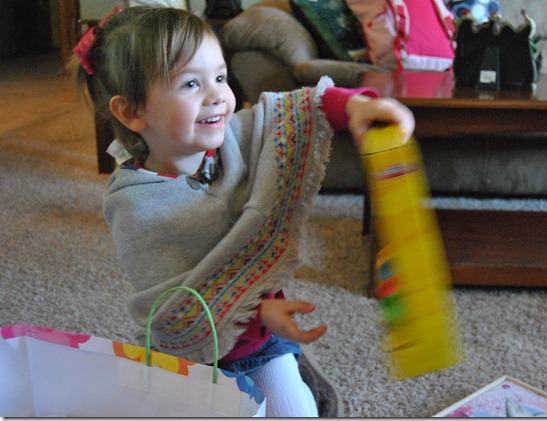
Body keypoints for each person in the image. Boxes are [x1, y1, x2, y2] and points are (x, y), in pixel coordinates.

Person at [72, 5, 414, 417]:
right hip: (194, 355)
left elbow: (295, 111)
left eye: (219, 77)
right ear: (132, 112)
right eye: (191, 84)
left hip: (260, 341)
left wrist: (356, 106)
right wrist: (258, 310)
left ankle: (293, 367)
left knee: (297, 412)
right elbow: (167, 305)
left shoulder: (231, 136)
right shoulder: (134, 203)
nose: (218, 95)